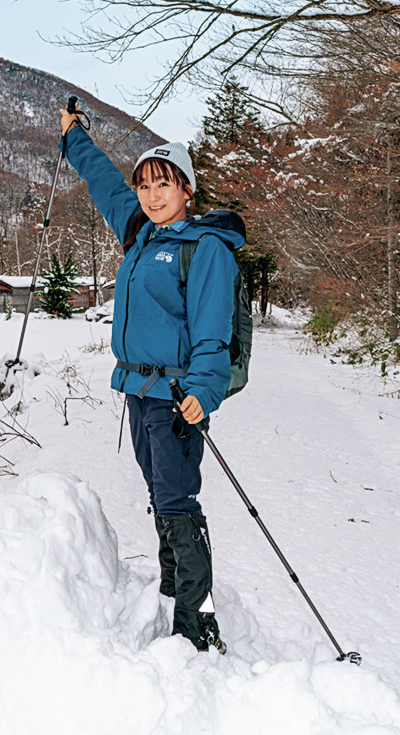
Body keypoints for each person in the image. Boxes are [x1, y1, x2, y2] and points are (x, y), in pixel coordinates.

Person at [59, 109, 242, 653]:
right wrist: (74, 138)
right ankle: (171, 592)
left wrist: (202, 394)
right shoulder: (139, 235)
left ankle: (197, 622)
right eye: (145, 185)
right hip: (138, 394)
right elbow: (105, 184)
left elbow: (214, 333)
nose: (151, 194)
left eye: (164, 184)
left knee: (178, 501)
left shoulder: (205, 249)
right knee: (161, 498)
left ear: (187, 188)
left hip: (178, 397)